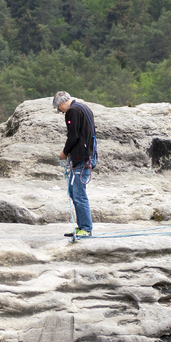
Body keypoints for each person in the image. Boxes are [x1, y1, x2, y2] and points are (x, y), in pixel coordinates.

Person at [55, 91, 96, 241]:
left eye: (59, 109)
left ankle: (85, 228)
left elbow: (73, 136)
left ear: (61, 104)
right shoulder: (84, 107)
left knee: (78, 194)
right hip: (87, 155)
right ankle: (82, 226)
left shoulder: (72, 111)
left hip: (82, 158)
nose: (60, 111)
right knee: (74, 191)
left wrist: (64, 153)